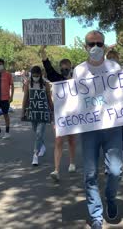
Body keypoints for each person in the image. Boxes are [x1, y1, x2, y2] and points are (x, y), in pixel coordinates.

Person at [73, 30, 122, 229]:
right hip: (89, 129)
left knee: (115, 171)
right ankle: (95, 215)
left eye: (99, 43)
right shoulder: (78, 71)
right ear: (85, 47)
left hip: (112, 128)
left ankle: (110, 198)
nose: (95, 47)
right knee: (90, 174)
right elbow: (72, 99)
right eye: (91, 43)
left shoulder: (115, 67)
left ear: (104, 45)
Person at [40, 46, 77, 181]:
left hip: (74, 114)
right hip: (60, 115)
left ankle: (72, 162)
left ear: (71, 67)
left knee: (72, 140)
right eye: (62, 68)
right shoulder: (56, 78)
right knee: (58, 141)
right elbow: (48, 66)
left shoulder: (77, 79)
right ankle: (56, 170)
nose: (64, 70)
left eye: (67, 68)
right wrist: (43, 51)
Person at [22, 66, 53, 166]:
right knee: (36, 131)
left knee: (39, 133)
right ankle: (42, 146)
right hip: (33, 112)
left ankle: (35, 155)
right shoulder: (27, 83)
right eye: (34, 75)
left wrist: (53, 111)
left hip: (43, 112)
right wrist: (23, 112)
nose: (35, 77)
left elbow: (49, 98)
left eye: (37, 76)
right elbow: (25, 98)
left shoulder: (46, 84)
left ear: (41, 75)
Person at [106, 50, 123, 162]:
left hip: (122, 105)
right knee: (109, 132)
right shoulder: (102, 73)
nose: (112, 60)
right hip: (108, 107)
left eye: (114, 57)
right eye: (110, 58)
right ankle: (110, 157)